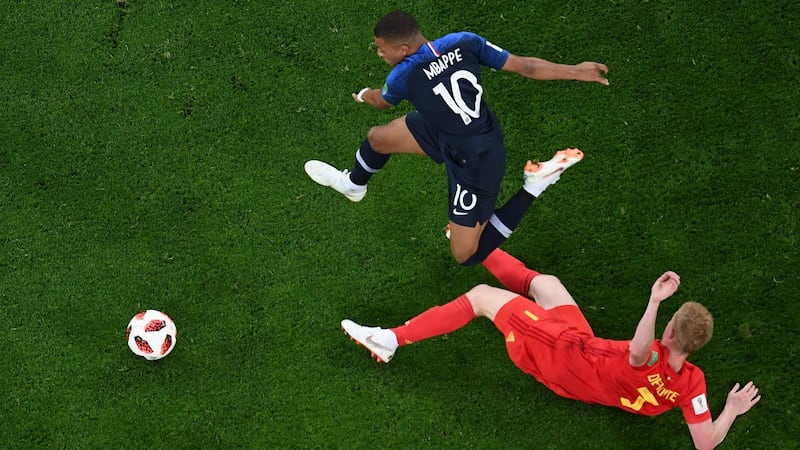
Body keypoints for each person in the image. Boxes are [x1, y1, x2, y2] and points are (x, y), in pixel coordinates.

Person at [341, 249, 761, 449]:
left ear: (668, 329)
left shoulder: (647, 353)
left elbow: (637, 354)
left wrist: (654, 300)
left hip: (562, 355)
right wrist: (731, 410)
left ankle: (390, 340)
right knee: (546, 285)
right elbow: (706, 443)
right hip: (586, 359)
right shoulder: (692, 382)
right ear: (696, 346)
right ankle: (476, 241)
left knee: (484, 297)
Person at [304, 10, 608, 265]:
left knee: (466, 254)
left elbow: (382, 101)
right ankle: (354, 186)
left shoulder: (404, 75)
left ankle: (535, 185)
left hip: (475, 161)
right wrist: (576, 71)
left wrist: (364, 95)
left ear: (404, 49)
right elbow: (526, 66)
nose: (380, 53)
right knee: (378, 138)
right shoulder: (464, 41)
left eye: (381, 48)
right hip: (446, 129)